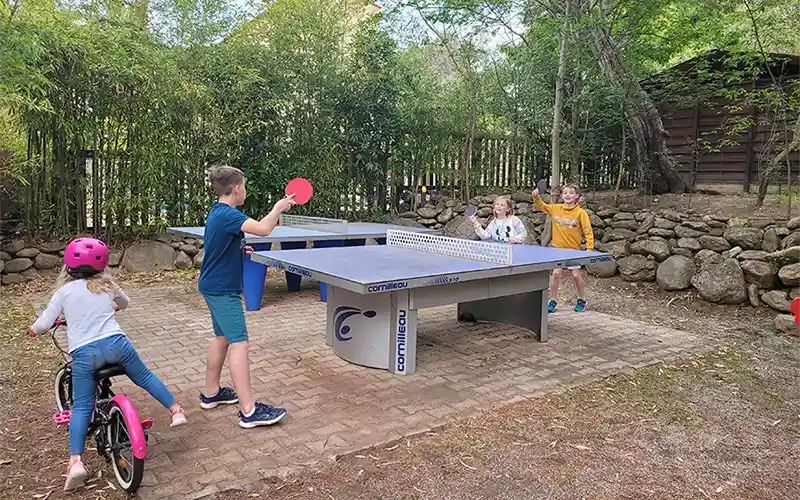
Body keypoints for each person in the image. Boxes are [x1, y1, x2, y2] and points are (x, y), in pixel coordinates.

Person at [29, 237, 187, 492]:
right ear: (102, 265)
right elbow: (124, 303)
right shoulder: (107, 285)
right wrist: (109, 308)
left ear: (68, 265)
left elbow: (45, 322)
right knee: (145, 376)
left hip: (85, 355)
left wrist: (34, 330)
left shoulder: (64, 292)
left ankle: (76, 462)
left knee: (81, 407)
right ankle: (176, 410)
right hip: (118, 346)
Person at [198, 165, 296, 428]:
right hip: (222, 290)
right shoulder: (228, 214)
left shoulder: (218, 213)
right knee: (240, 343)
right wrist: (278, 209)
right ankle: (249, 410)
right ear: (237, 188)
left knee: (221, 337)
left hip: (213, 285)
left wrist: (240, 248)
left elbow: (221, 245)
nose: (246, 191)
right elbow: (264, 229)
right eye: (245, 186)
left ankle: (211, 393)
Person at [531, 183, 595, 313]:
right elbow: (541, 206)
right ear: (561, 195)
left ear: (577, 196)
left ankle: (581, 299)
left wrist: (589, 249)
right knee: (555, 274)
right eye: (565, 193)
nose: (568, 195)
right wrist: (536, 197)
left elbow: (588, 232)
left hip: (573, 250)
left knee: (576, 275)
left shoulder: (581, 213)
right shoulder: (556, 208)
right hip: (557, 249)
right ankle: (552, 300)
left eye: (571, 193)